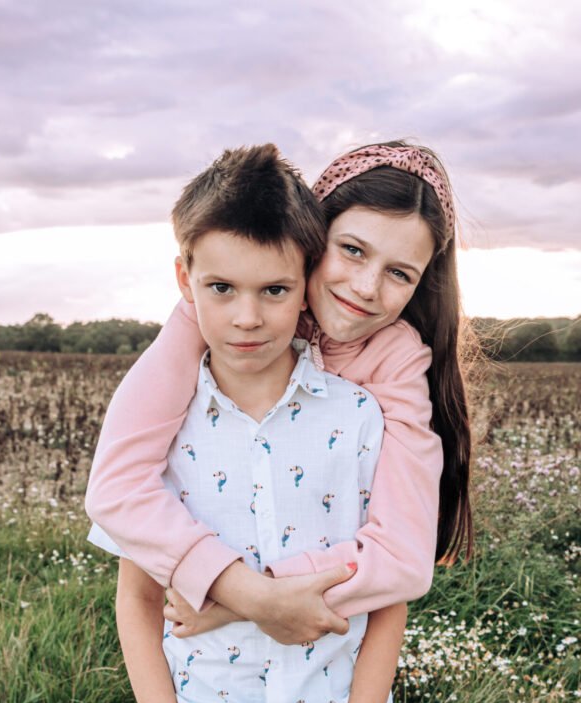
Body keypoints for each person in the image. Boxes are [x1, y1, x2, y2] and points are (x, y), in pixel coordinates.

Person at [88, 143, 407, 703]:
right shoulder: (164, 428)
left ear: (308, 283)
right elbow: (138, 595)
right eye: (221, 288)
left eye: (275, 290)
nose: (247, 317)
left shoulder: (357, 419)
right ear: (185, 280)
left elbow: (387, 592)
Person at [84, 140, 473, 642]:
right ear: (310, 238)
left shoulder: (397, 360)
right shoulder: (220, 317)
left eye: (399, 273)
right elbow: (116, 485)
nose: (367, 287)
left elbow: (404, 559)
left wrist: (245, 600)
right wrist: (244, 591)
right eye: (352, 250)